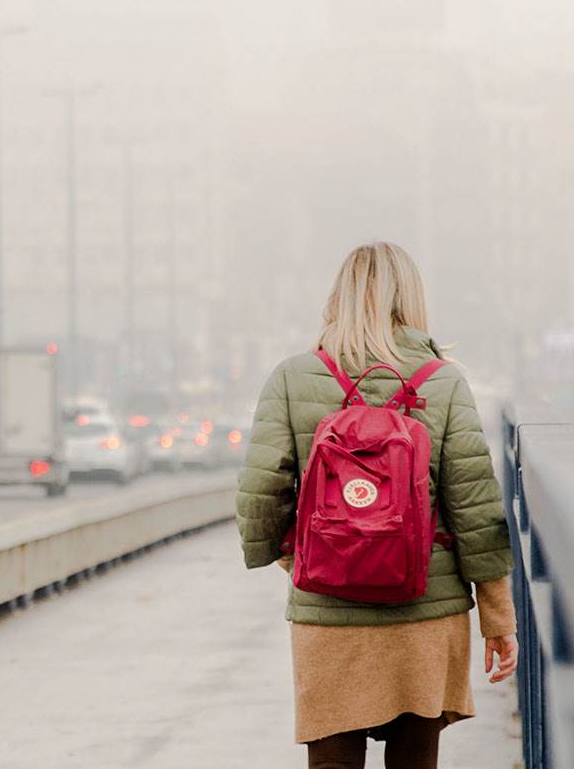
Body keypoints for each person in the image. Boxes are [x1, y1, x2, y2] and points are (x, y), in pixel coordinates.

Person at [237, 241, 518, 769]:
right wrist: (498, 619)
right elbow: (476, 508)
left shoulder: (293, 377)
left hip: (328, 618)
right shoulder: (443, 381)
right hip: (425, 615)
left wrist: (305, 562)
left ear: (337, 297)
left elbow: (260, 493)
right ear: (411, 298)